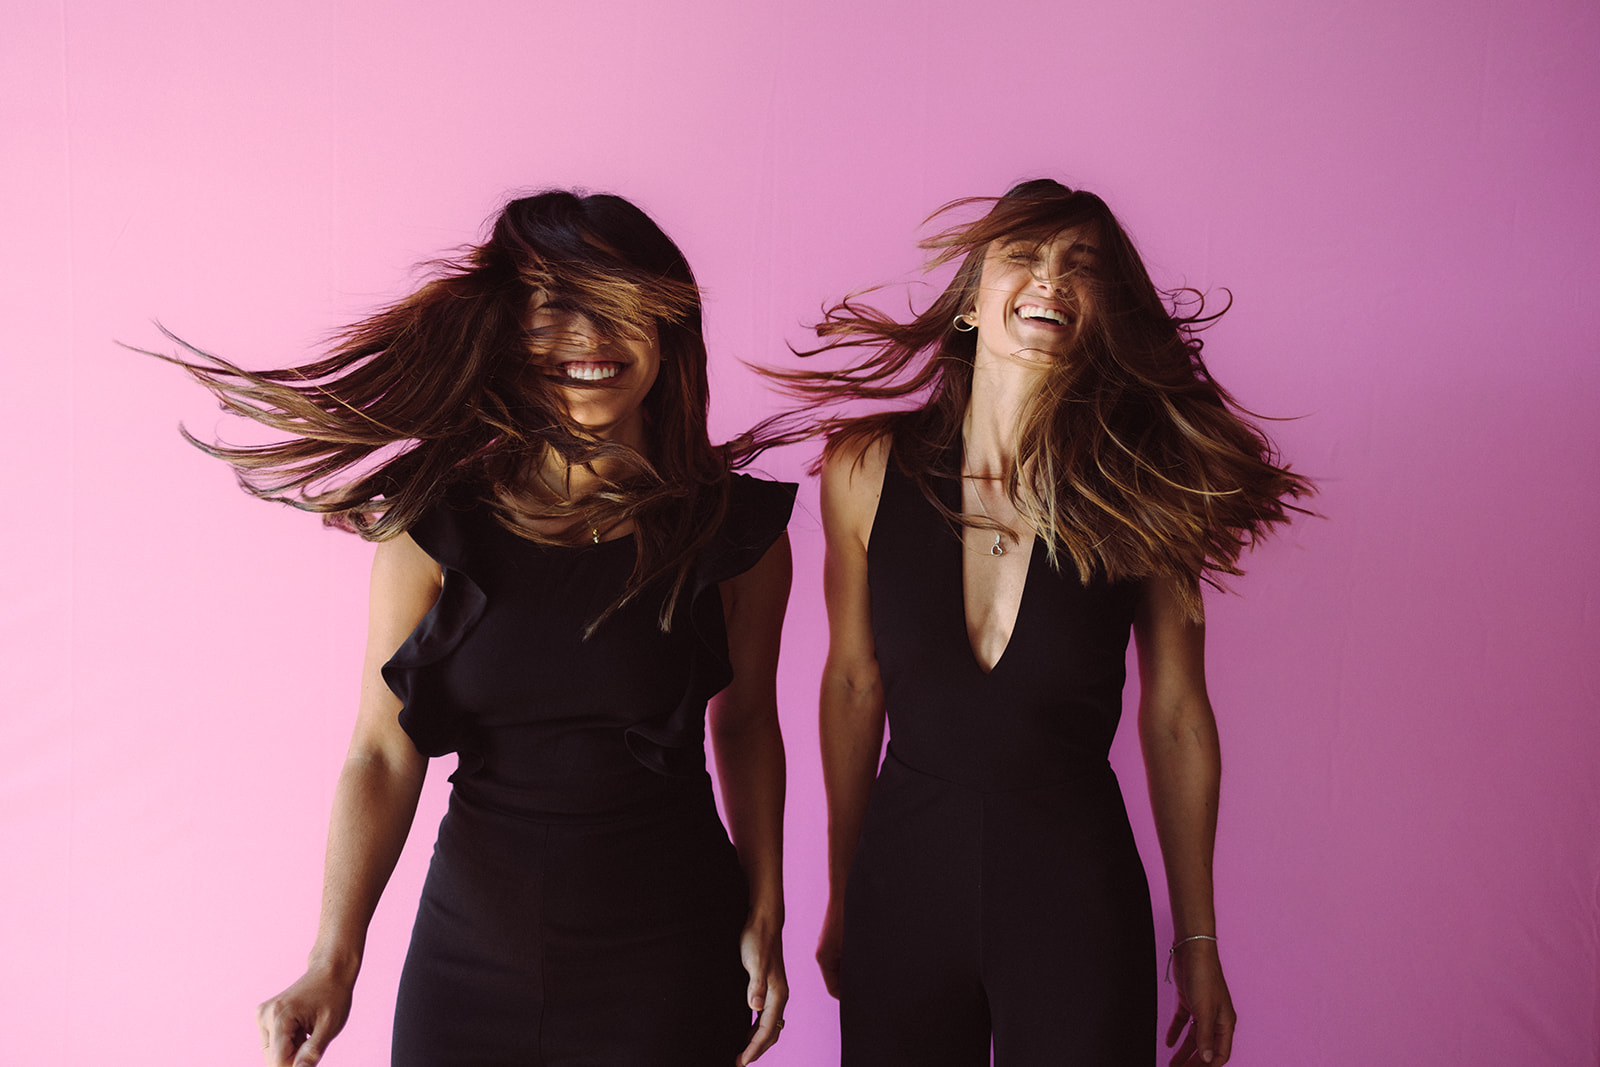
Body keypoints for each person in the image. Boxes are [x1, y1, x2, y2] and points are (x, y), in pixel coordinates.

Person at [146, 191, 792, 1066]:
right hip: (470, 958)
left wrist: (765, 905)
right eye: (555, 305)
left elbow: (748, 721)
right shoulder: (434, 521)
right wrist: (332, 961)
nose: (589, 338)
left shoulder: (735, 531)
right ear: (508, 329)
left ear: (668, 332)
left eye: (621, 308)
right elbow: (381, 749)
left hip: (668, 955)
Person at [768, 179, 1311, 1066]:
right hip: (903, 881)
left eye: (1081, 267)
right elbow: (853, 680)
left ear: (1103, 311)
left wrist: (1199, 944)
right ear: (972, 300)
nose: (1050, 280)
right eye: (1023, 256)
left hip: (1072, 890)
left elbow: (1176, 716)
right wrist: (843, 891)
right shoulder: (865, 467)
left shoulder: (1150, 488)